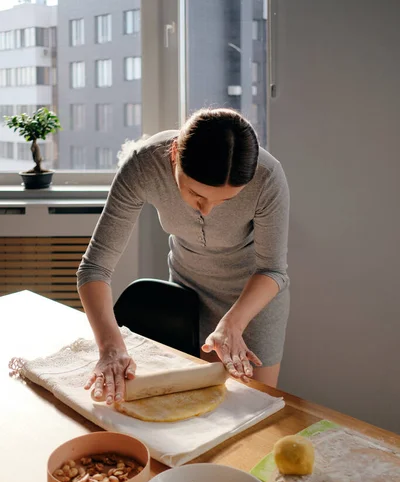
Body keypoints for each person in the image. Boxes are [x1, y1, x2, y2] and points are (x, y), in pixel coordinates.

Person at [77, 108, 290, 405]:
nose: (206, 210)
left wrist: (233, 324)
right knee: (192, 407)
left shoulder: (267, 177)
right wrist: (110, 346)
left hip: (253, 302)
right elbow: (94, 267)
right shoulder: (143, 165)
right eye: (196, 195)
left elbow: (273, 270)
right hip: (187, 292)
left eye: (225, 201)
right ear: (175, 153)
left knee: (253, 409)